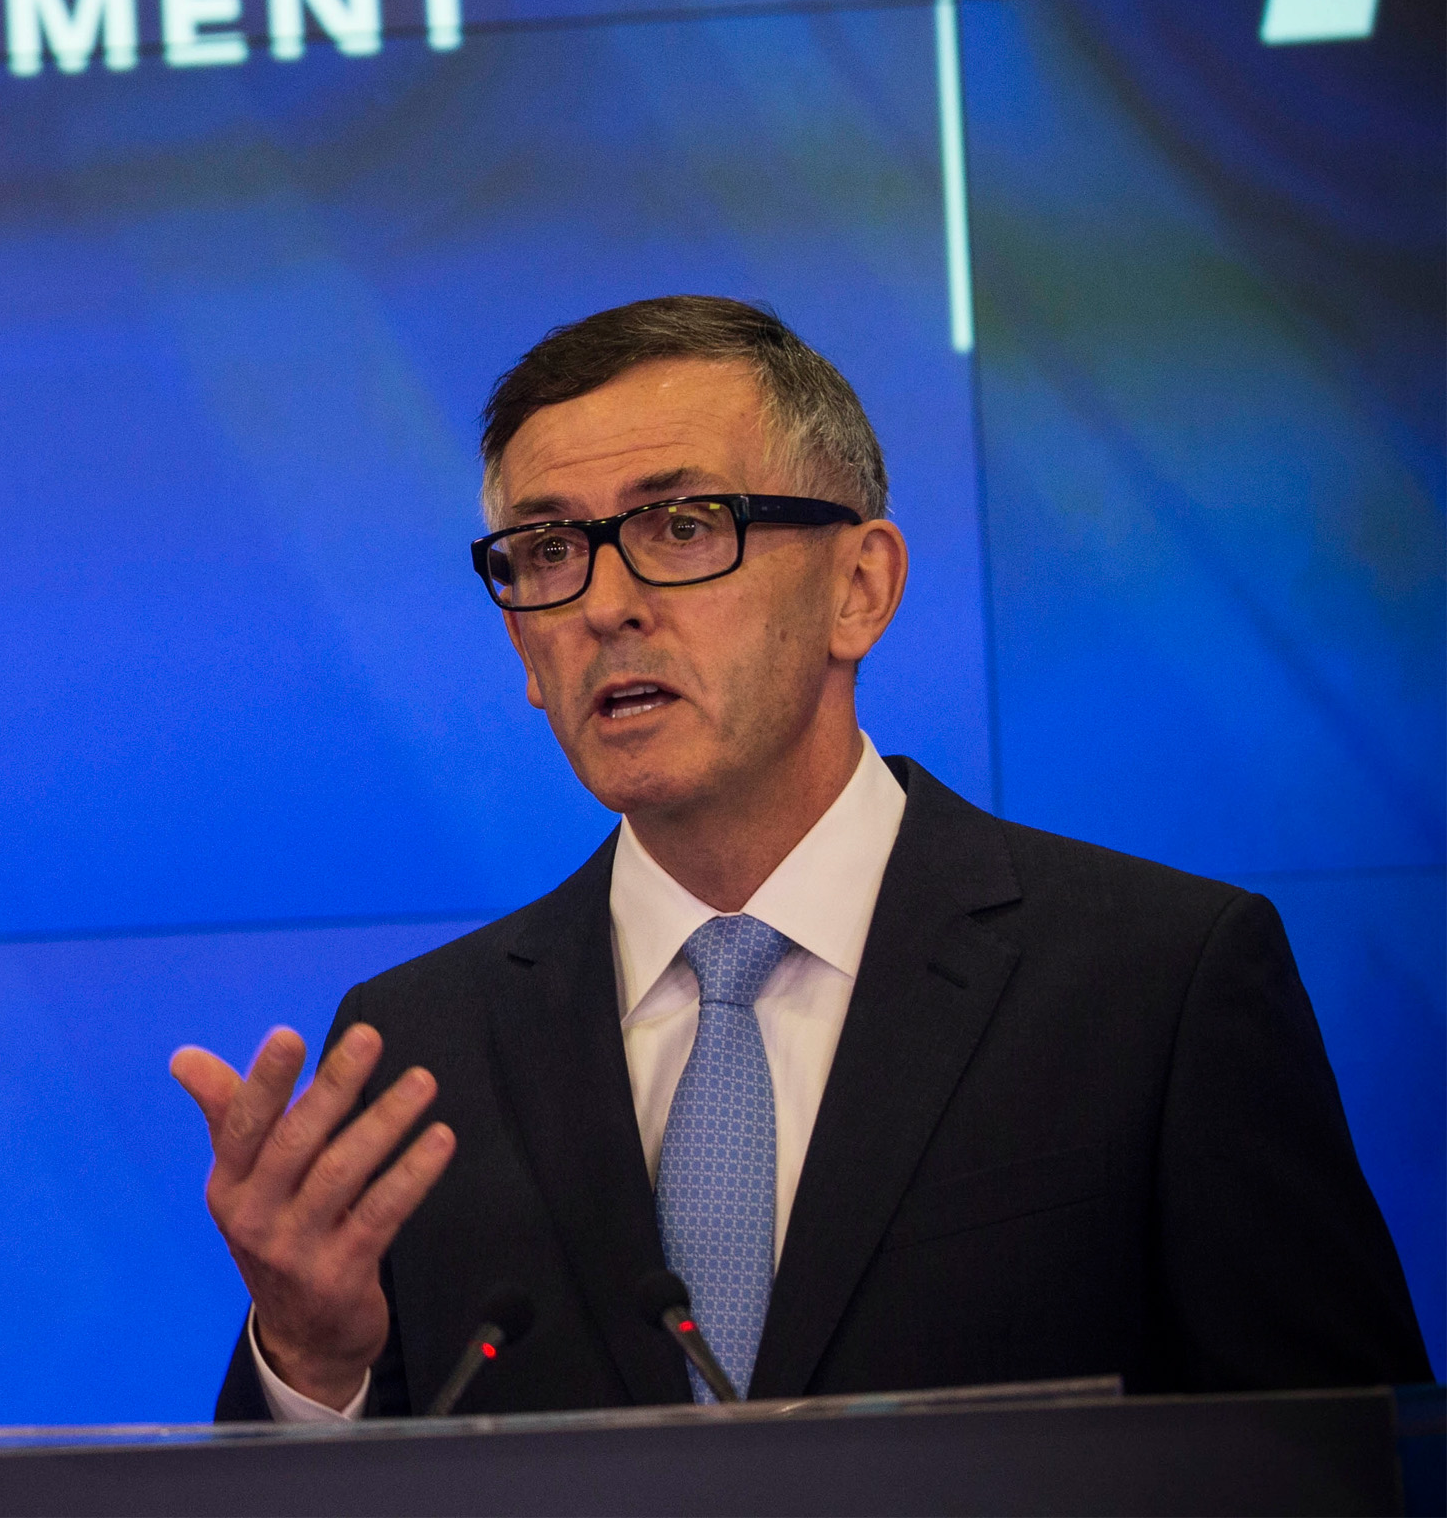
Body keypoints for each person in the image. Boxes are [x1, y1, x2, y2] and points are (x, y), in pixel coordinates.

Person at [174, 296, 1430, 1420]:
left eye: (680, 524)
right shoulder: (417, 1051)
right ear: (521, 646)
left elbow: (1346, 1461)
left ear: (860, 588)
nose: (606, 602)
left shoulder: (1157, 982)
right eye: (549, 551)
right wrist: (309, 1360)